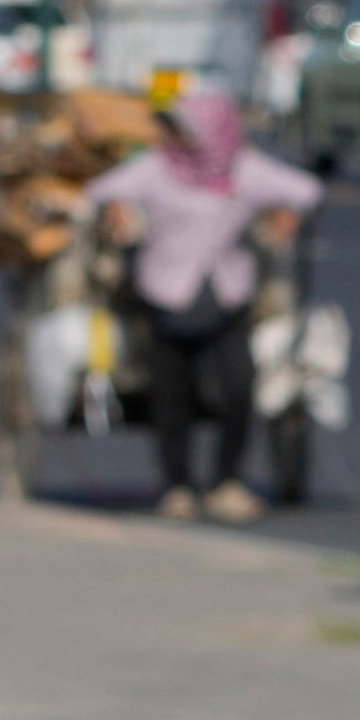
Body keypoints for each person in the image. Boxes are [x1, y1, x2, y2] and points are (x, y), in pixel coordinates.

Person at [86, 71, 319, 519]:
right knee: (170, 397)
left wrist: (285, 214)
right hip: (164, 295)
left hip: (226, 295)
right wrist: (116, 208)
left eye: (186, 127)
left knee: (238, 388)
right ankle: (176, 487)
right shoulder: (158, 168)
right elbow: (101, 190)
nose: (178, 136)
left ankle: (226, 482)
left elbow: (307, 190)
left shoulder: (244, 171)